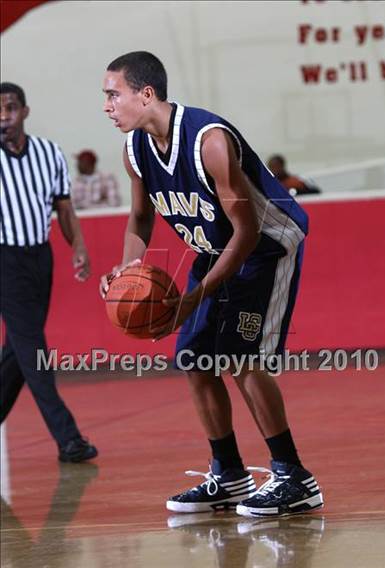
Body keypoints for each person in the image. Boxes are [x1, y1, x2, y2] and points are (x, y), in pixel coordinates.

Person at [100, 52, 323, 517]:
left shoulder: (209, 141)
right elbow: (141, 218)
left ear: (146, 93)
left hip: (266, 246)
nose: (107, 105)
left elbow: (247, 233)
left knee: (240, 357)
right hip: (215, 251)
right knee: (196, 359)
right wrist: (128, 270)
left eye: (112, 94)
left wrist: (191, 299)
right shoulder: (135, 150)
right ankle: (229, 475)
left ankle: (293, 477)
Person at [0, 82, 98, 463]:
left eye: (9, 108)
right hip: (4, 258)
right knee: (33, 350)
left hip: (39, 257)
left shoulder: (49, 153)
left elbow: (64, 208)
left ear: (24, 111)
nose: (3, 116)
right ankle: (69, 438)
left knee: (19, 352)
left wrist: (79, 247)